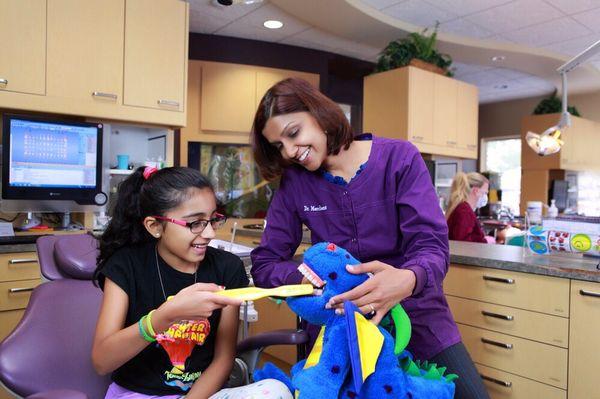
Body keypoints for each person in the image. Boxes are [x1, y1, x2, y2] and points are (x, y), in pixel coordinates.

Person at [249, 78, 490, 399]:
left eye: (293, 133)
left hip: (416, 315)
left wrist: (407, 278)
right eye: (279, 145)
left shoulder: (400, 159)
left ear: (319, 114)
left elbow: (431, 246)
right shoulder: (295, 184)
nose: (290, 151)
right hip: (336, 329)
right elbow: (265, 265)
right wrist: (320, 280)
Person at [92, 166, 292, 399]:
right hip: (136, 394)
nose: (209, 233)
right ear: (155, 226)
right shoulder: (126, 265)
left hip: (200, 395)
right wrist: (164, 317)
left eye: (212, 219)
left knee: (275, 391)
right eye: (195, 223)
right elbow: (102, 362)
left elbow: (223, 359)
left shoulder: (227, 268)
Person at [446, 172, 493, 244]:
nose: (485, 197)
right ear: (476, 191)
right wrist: (485, 241)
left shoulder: (462, 208)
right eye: (485, 193)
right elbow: (463, 242)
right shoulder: (464, 211)